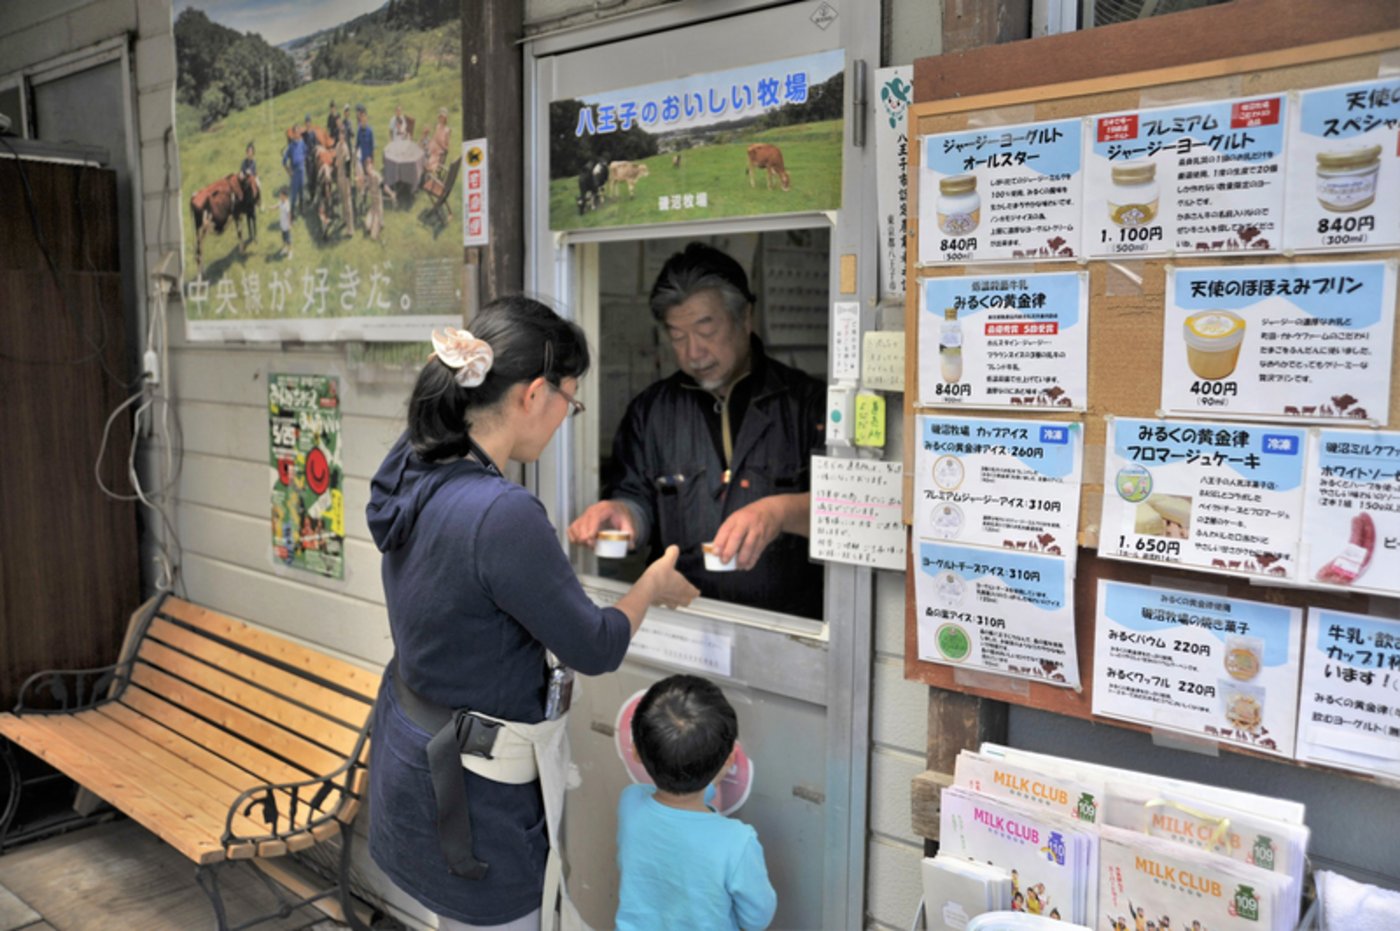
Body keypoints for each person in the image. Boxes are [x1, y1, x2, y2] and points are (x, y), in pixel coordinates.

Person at [366, 298, 698, 931]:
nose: (565, 420)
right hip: (479, 803)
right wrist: (650, 583)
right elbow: (596, 647)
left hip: (415, 769)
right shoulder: (502, 513)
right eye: (570, 404)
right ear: (534, 393)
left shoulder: (413, 463)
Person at [567, 242, 826, 619]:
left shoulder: (807, 404)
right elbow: (637, 499)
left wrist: (781, 511)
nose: (693, 352)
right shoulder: (651, 411)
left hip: (788, 628)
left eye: (706, 329)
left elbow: (850, 513)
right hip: (679, 624)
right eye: (677, 336)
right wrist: (623, 513)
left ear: (746, 317)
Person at [616, 674, 776, 931]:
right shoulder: (737, 842)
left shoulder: (630, 803)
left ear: (635, 751)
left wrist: (706, 783)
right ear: (727, 760)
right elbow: (757, 919)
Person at [281, 125, 305, 215]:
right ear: (293, 134)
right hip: (295, 173)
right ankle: (292, 213)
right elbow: (284, 161)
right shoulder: (291, 146)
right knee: (294, 194)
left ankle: (302, 209)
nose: (298, 134)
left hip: (302, 171)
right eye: (296, 132)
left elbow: (305, 152)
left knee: (302, 191)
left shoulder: (302, 143)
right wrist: (289, 171)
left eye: (299, 132)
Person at [423, 106, 452, 177]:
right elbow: (434, 139)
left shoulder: (447, 130)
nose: (441, 118)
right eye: (440, 117)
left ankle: (424, 177)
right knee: (421, 153)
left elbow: (447, 149)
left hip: (438, 154)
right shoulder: (437, 126)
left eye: (442, 117)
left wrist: (440, 143)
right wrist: (428, 138)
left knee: (426, 160)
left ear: (445, 118)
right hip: (431, 149)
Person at [277, 188, 291, 258]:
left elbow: (289, 214)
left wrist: (289, 224)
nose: (280, 196)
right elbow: (277, 206)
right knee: (283, 238)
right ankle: (285, 249)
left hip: (286, 226)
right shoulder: (281, 202)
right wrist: (271, 208)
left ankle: (290, 252)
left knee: (288, 240)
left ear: (285, 196)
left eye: (281, 195)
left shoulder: (287, 204)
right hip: (282, 224)